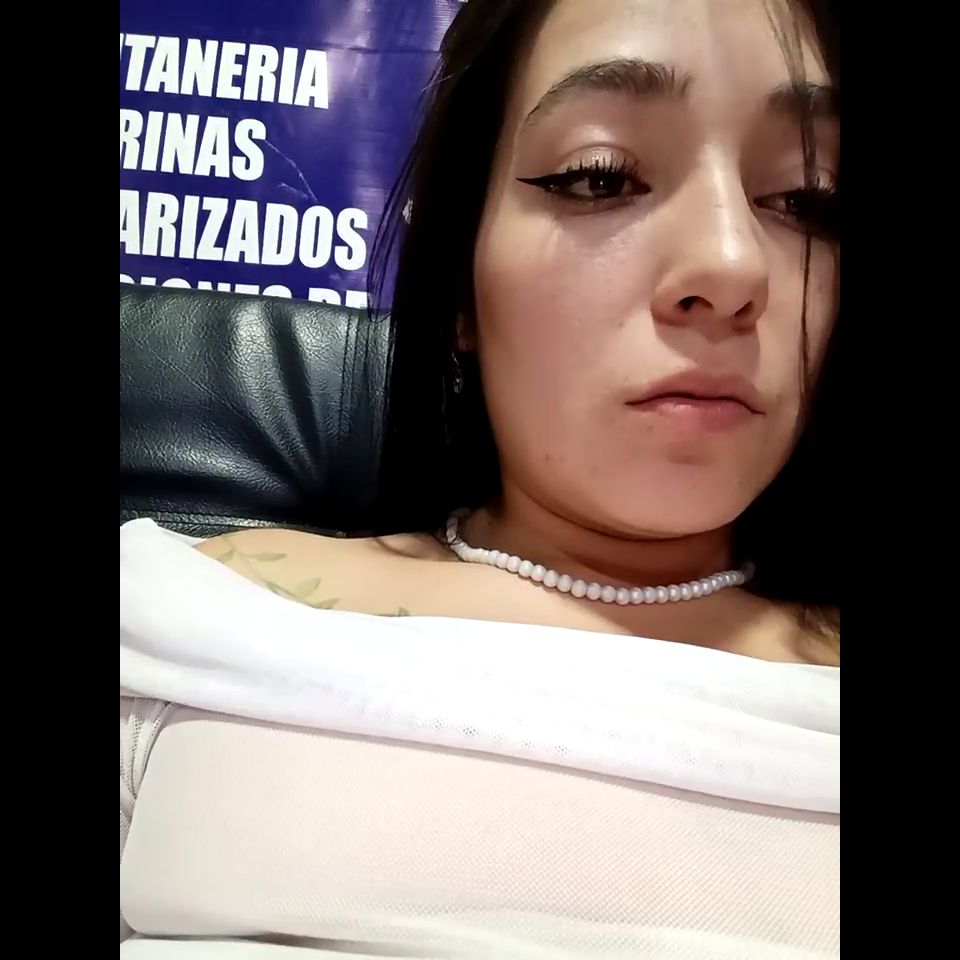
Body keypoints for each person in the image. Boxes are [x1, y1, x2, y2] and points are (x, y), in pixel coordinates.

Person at [120, 0, 840, 955]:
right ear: (460, 278)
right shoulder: (186, 608)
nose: (732, 264)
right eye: (600, 177)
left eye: (805, 200)